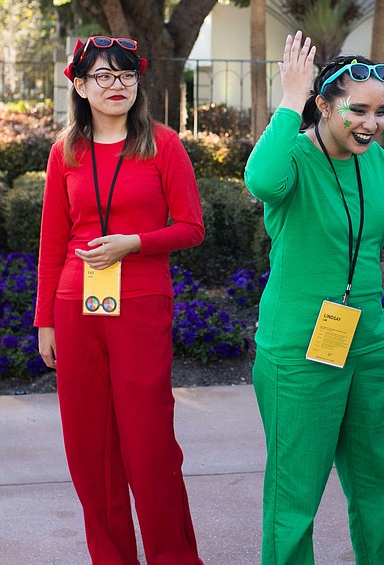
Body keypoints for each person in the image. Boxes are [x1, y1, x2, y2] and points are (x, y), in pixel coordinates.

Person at [243, 32, 384, 565]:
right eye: (357, 110)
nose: (371, 123)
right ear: (324, 105)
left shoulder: (374, 161)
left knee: (379, 486)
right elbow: (262, 181)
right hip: (299, 350)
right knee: (293, 500)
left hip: (368, 344)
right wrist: (289, 99)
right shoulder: (292, 155)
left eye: (380, 112)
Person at [34, 36, 205, 564]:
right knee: (91, 452)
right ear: (80, 86)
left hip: (141, 304)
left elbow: (191, 228)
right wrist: (46, 321)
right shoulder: (66, 151)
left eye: (127, 76)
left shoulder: (163, 145)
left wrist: (137, 242)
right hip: (74, 305)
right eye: (104, 76)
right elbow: (52, 243)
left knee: (149, 446)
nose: (117, 86)